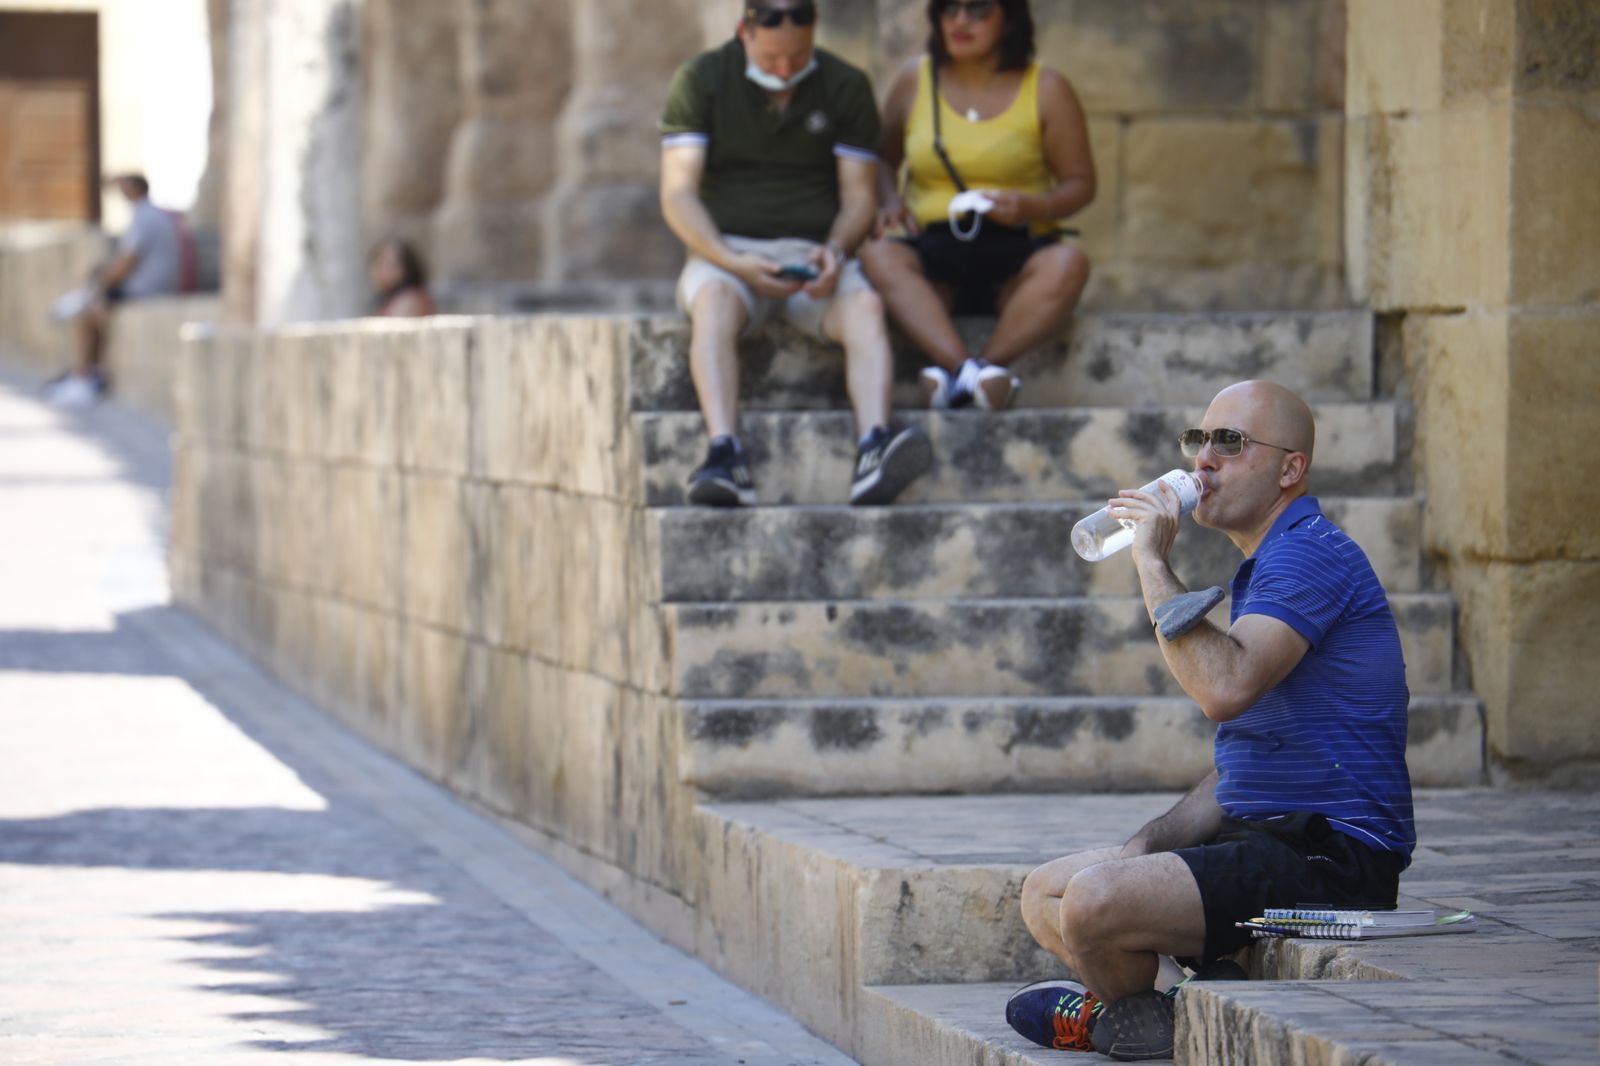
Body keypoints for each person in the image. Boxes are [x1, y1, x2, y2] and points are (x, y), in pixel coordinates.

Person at [1007, 381, 1415, 1060]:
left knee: (1091, 905)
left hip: (1333, 855)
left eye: (1231, 442)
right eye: (1199, 439)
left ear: (1291, 469)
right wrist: (1145, 847)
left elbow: (1222, 689)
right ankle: (1167, 1004)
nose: (1203, 461)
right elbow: (1245, 759)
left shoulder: (1310, 553)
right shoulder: (1269, 560)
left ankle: (1131, 1014)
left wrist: (1150, 559)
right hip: (1263, 838)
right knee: (1046, 892)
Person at [659, 0, 933, 507]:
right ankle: (724, 453)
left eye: (798, 55)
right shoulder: (701, 80)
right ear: (744, 32)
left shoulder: (845, 85)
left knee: (867, 306)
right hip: (728, 256)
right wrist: (729, 259)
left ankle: (874, 447)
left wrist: (834, 250)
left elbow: (858, 196)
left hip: (817, 255)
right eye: (771, 60)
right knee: (713, 303)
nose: (785, 70)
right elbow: (678, 194)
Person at [860, 0, 1095, 411]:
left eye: (978, 9)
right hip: (934, 251)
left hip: (1016, 248)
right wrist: (891, 200)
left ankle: (977, 368)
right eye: (949, 9)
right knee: (877, 255)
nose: (961, 21)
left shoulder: (1046, 87)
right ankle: (970, 372)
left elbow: (1080, 184)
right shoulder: (915, 78)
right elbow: (881, 158)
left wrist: (1031, 206)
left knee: (1069, 263)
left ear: (1008, 18)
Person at [46, 174, 183, 408]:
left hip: (147, 289)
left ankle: (83, 377)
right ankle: (84, 372)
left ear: (136, 189)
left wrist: (102, 282)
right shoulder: (150, 215)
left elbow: (129, 261)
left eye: (124, 187)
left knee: (87, 313)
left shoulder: (145, 216)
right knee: (90, 304)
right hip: (152, 285)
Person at [369, 236, 436, 318]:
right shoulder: (394, 299)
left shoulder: (408, 301)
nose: (381, 271)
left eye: (389, 265)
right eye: (378, 264)